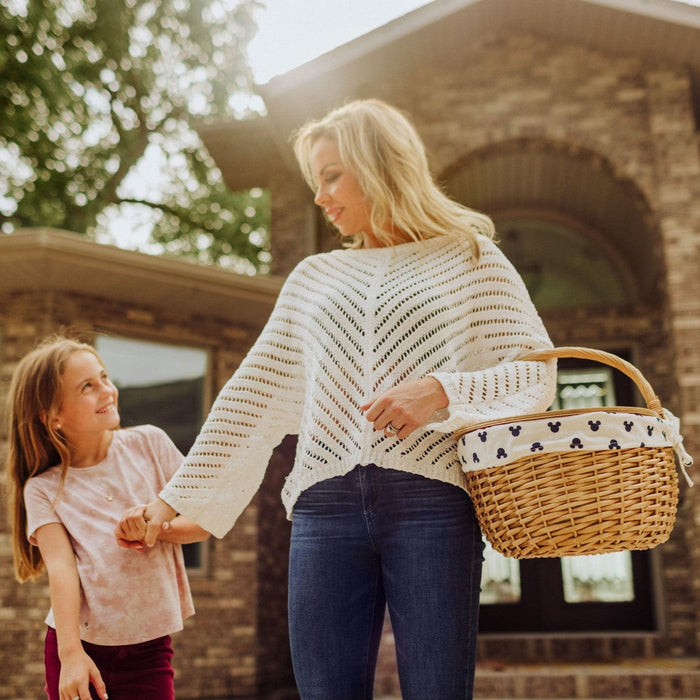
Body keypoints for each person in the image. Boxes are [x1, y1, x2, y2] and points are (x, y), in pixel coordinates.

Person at [132, 99, 557, 699]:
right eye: (314, 181)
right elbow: (250, 396)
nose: (320, 196)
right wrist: (174, 499)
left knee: (438, 689)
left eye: (331, 175)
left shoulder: (471, 258)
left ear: (379, 165)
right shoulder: (313, 277)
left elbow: (534, 376)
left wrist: (441, 390)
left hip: (432, 501)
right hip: (323, 508)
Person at [5, 335, 210, 700]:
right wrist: (70, 655)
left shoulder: (150, 444)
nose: (106, 390)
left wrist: (156, 528)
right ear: (53, 417)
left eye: (104, 377)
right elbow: (63, 570)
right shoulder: (42, 488)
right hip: (78, 646)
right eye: (87, 386)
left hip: (149, 648)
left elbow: (204, 522)